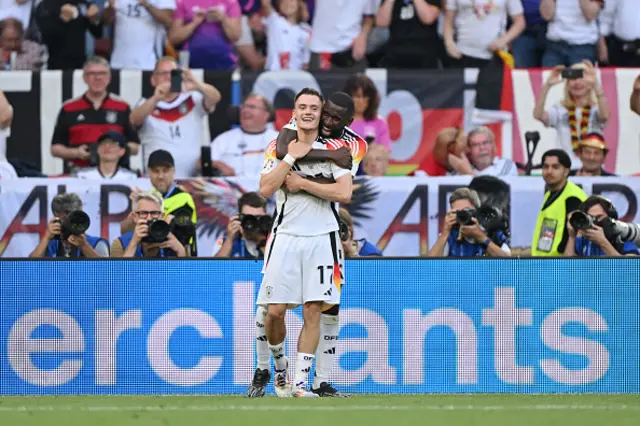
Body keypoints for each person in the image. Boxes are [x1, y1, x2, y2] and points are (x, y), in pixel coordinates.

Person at [248, 91, 366, 399]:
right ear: (296, 112)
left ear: (346, 122)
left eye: (326, 114)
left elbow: (343, 191)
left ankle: (310, 382)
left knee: (323, 308)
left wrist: (302, 183)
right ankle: (273, 367)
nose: (322, 118)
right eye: (311, 109)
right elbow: (271, 179)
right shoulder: (283, 140)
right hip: (285, 235)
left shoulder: (351, 146)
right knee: (271, 311)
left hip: (324, 236)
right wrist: (300, 160)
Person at [130, 56, 221, 177]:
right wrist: (156, 98)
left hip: (192, 178)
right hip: (158, 178)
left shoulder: (193, 98)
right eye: (163, 73)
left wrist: (197, 84)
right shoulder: (146, 104)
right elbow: (134, 120)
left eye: (173, 73)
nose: (168, 77)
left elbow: (215, 98)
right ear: (153, 79)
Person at [50, 56, 140, 171]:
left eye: (102, 73)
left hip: (116, 173)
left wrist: (115, 150)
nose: (97, 78)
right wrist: (76, 153)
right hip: (79, 172)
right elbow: (55, 148)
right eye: (92, 74)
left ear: (109, 77)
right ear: (84, 78)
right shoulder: (68, 108)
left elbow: (135, 147)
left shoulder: (123, 107)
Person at [120, 150, 198, 255]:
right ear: (149, 172)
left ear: (173, 171)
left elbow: (173, 230)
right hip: (150, 255)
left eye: (165, 171)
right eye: (156, 171)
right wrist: (136, 208)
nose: (160, 176)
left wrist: (145, 209)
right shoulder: (147, 197)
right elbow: (124, 230)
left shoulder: (184, 198)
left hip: (179, 257)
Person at [533, 61, 609, 168]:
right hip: (566, 167)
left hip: (592, 167)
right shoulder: (559, 109)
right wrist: (547, 86)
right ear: (567, 84)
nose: (577, 82)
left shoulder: (596, 108)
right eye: (573, 78)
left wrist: (596, 84)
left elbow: (605, 116)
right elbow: (538, 115)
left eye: (582, 77)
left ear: (589, 84)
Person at [531, 149, 587, 256]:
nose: (549, 171)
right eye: (546, 166)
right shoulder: (550, 194)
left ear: (566, 171)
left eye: (555, 167)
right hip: (544, 264)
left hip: (560, 267)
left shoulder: (573, 197)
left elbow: (575, 239)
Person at [427, 187, 511, 257]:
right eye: (458, 213)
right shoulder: (450, 236)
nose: (463, 216)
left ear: (477, 211)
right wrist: (444, 234)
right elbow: (428, 267)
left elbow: (510, 265)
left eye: (466, 211)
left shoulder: (494, 234)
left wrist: (481, 237)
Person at [29, 193, 109, 258]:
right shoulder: (52, 245)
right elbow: (29, 268)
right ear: (57, 220)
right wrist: (46, 238)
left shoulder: (97, 244)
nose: (69, 224)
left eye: (73, 219)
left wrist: (84, 246)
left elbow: (106, 272)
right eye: (64, 219)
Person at [111, 190, 188, 257]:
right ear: (134, 216)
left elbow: (186, 273)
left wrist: (181, 252)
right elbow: (119, 273)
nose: (149, 218)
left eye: (154, 213)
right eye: (143, 213)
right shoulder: (120, 244)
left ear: (162, 216)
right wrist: (133, 243)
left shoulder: (176, 242)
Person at [103, 0, 175, 71]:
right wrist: (110, 7)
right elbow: (105, 22)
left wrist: (146, 4)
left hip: (151, 63)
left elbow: (167, 21)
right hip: (118, 61)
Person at [565, 195, 640, 257]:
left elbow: (630, 270)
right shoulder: (584, 241)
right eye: (590, 217)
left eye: (599, 217)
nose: (595, 222)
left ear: (611, 217)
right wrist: (572, 236)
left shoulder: (622, 240)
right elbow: (567, 267)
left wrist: (603, 243)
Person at [214, 192, 270, 258]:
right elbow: (218, 266)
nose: (252, 222)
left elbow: (277, 265)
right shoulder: (225, 240)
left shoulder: (274, 238)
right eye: (248, 218)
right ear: (239, 217)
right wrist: (230, 239)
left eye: (257, 217)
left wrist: (261, 241)